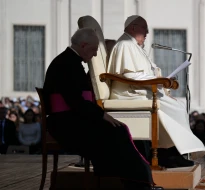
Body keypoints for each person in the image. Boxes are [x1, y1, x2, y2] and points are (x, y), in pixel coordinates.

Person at [43, 28, 163, 190]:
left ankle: (138, 183)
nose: (94, 55)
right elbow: (75, 102)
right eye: (93, 50)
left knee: (119, 131)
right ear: (84, 45)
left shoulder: (70, 61)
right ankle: (139, 185)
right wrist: (102, 115)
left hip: (73, 119)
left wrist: (100, 115)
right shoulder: (66, 64)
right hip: (66, 124)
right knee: (117, 132)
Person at [107, 15, 205, 167]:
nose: (147, 33)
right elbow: (129, 75)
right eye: (144, 29)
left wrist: (159, 81)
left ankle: (172, 152)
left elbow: (144, 72)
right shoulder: (125, 44)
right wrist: (158, 82)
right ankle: (170, 154)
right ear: (133, 28)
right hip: (129, 94)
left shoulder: (134, 46)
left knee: (177, 105)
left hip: (139, 90)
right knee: (176, 108)